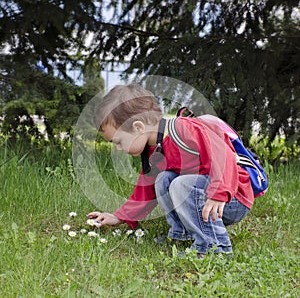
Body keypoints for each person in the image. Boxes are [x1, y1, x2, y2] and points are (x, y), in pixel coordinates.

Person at [87, 84, 253, 256]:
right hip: (207, 200)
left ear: (138, 127)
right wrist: (119, 217)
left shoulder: (183, 130)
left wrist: (219, 193)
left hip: (231, 197)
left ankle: (214, 247)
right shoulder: (155, 151)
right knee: (162, 179)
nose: (119, 149)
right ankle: (183, 235)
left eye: (119, 141)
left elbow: (223, 156)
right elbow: (145, 192)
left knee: (181, 184)